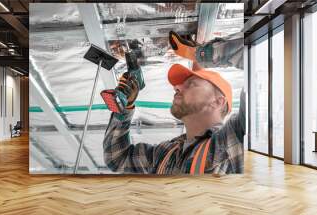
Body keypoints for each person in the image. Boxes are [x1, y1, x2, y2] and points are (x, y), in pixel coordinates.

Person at [103, 31, 245, 175]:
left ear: (218, 102)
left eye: (191, 84)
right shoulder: (165, 154)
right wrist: (126, 107)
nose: (176, 87)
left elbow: (260, 50)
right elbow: (117, 158)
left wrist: (200, 54)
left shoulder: (236, 141)